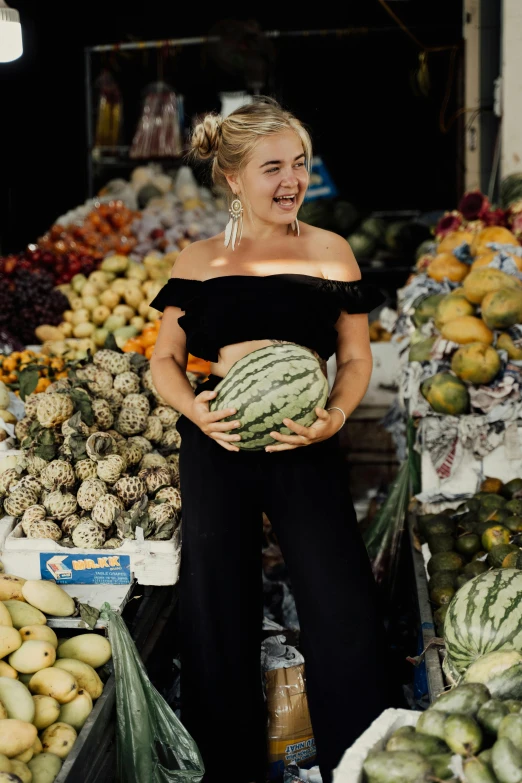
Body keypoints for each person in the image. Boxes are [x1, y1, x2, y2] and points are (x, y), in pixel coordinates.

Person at [150, 97, 390, 783]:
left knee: (341, 604)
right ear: (232, 177)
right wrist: (197, 414)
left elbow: (355, 357)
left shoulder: (329, 250)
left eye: (301, 164)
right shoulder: (197, 259)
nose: (292, 180)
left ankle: (359, 758)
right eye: (272, 167)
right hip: (218, 440)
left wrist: (335, 417)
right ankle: (229, 771)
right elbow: (162, 362)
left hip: (301, 439)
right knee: (217, 614)